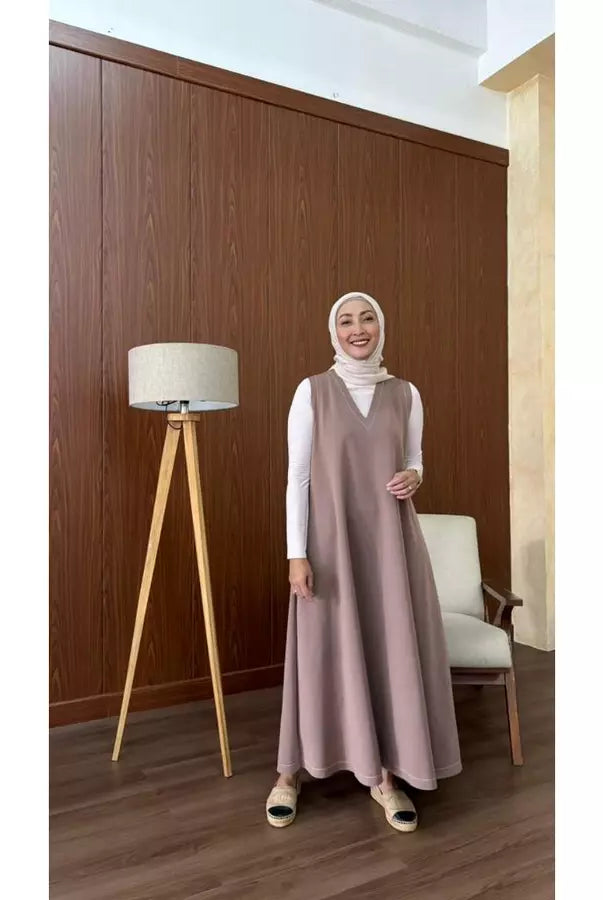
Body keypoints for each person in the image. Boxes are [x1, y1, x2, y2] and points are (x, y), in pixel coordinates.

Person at [265, 292, 461, 832]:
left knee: (390, 649)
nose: (358, 328)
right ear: (334, 331)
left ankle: (385, 777)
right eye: (346, 320)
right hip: (329, 549)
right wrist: (296, 553)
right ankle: (290, 773)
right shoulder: (312, 393)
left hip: (392, 546)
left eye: (367, 317)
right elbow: (297, 479)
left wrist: (416, 476)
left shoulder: (406, 394)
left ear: (381, 326)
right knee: (321, 651)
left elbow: (415, 459)